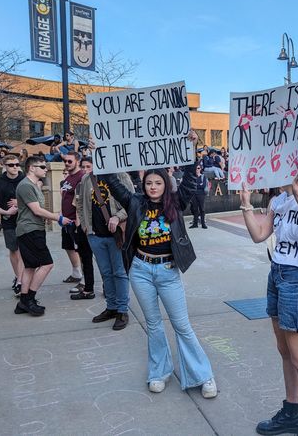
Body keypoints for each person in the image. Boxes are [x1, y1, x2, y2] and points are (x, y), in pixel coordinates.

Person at [102, 130, 217, 399]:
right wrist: (101, 151)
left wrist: (192, 148)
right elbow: (110, 181)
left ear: (165, 184)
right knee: (153, 325)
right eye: (149, 183)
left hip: (168, 271)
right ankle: (159, 372)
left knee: (182, 325)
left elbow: (190, 180)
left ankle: (203, 375)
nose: (153, 186)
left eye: (158, 182)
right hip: (141, 270)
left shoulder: (175, 203)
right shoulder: (134, 202)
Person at [241, 168, 298, 436]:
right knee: (285, 351)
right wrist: (245, 204)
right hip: (278, 273)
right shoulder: (277, 201)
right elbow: (259, 235)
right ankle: (291, 411)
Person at [75, 163, 132, 331]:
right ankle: (112, 307)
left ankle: (122, 310)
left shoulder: (120, 175)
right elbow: (79, 203)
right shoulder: (87, 179)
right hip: (95, 235)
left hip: (116, 235)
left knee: (120, 273)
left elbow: (132, 201)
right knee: (106, 273)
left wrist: (118, 217)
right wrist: (85, 225)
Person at [15, 156, 72, 316]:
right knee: (47, 264)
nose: (45, 169)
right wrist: (59, 218)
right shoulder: (26, 186)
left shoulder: (32, 185)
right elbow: (37, 210)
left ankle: (23, 302)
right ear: (31, 168)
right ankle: (29, 299)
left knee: (30, 267)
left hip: (31, 230)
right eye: (42, 166)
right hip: (30, 230)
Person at [0, 154, 25, 296]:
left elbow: (35, 198)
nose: (15, 167)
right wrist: (5, 212)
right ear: (5, 166)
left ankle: (21, 280)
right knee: (13, 250)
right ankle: (18, 276)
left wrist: (19, 202)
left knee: (23, 250)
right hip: (8, 221)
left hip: (24, 220)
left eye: (17, 164)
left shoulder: (25, 180)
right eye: (11, 165)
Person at [59, 152, 90, 289]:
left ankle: (85, 280)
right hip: (66, 220)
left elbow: (80, 201)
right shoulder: (68, 178)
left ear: (77, 161)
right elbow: (64, 197)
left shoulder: (82, 177)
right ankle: (76, 273)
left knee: (81, 250)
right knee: (68, 247)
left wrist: (78, 223)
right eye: (65, 161)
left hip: (75, 221)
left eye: (70, 161)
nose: (66, 163)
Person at [189, 165, 209, 229]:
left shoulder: (203, 177)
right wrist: (198, 184)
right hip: (194, 195)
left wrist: (196, 185)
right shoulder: (192, 177)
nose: (197, 169)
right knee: (195, 209)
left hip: (201, 194)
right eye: (196, 168)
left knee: (202, 209)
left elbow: (203, 186)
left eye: (198, 168)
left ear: (200, 169)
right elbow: (191, 185)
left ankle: (203, 224)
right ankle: (195, 224)